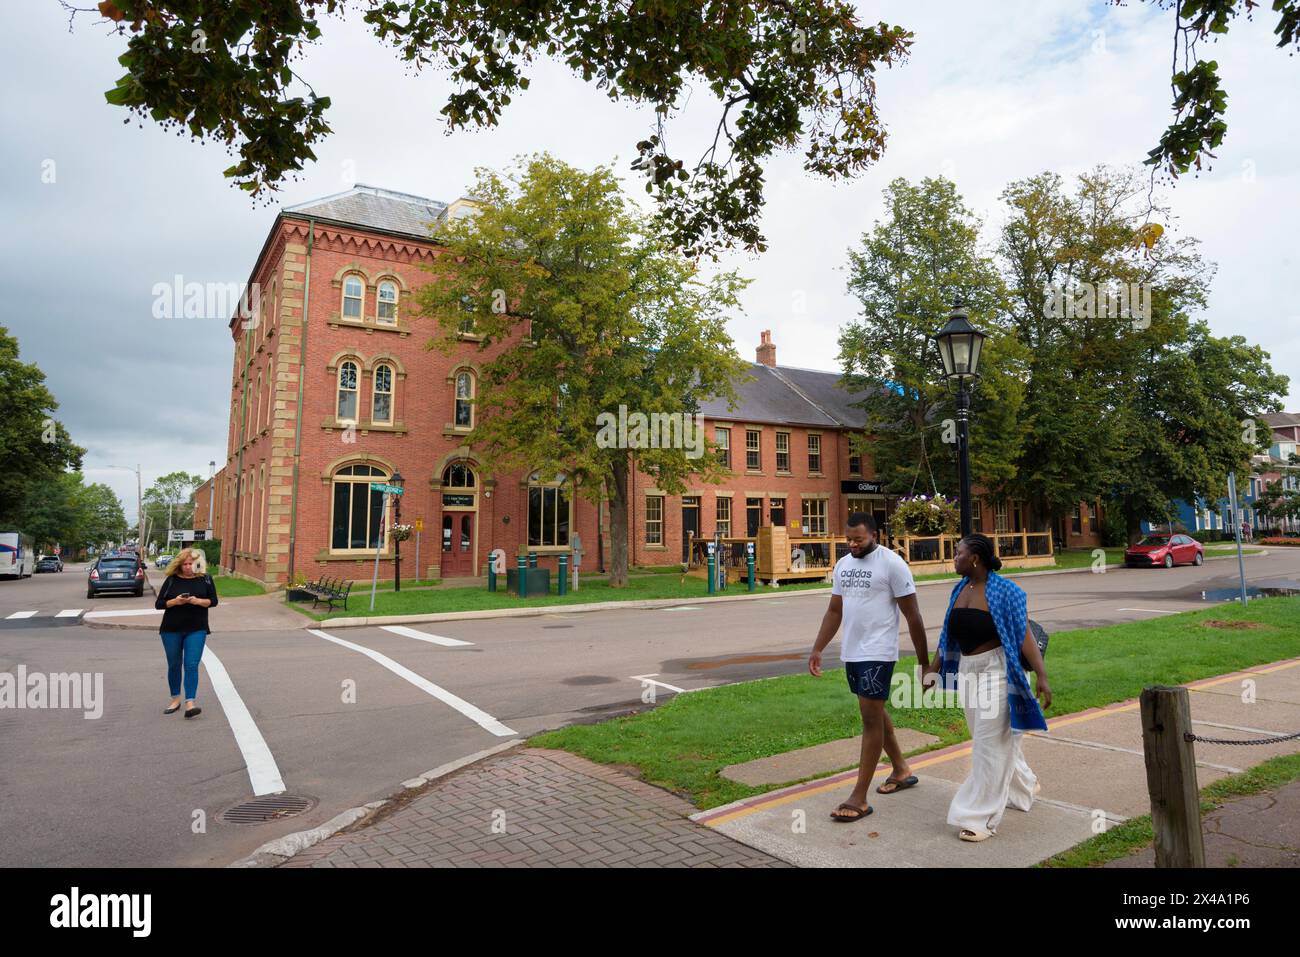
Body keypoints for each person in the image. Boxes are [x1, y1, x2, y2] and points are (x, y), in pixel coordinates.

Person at [923, 534, 1051, 842]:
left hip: (998, 671)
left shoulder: (1007, 591)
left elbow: (1024, 637)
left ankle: (980, 818)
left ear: (975, 558)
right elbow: (947, 636)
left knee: (987, 745)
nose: (953, 558)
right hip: (968, 670)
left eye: (958, 553)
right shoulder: (959, 589)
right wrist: (933, 669)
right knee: (987, 736)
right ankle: (1024, 784)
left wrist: (1043, 677)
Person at [809, 513, 930, 822]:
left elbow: (913, 616)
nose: (852, 544)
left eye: (858, 539)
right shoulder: (844, 564)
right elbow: (835, 609)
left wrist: (925, 662)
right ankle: (901, 769)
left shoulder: (892, 564)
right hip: (852, 653)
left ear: (875, 534)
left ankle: (858, 797)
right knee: (874, 712)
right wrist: (818, 647)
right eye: (848, 539)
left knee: (869, 720)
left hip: (878, 652)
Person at [154, 548, 218, 719]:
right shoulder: (172, 580)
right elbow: (159, 604)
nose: (188, 567)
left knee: (191, 665)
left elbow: (214, 601)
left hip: (197, 628)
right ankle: (175, 699)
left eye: (191, 563)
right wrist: (176, 601)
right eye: (185, 564)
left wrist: (197, 601)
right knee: (174, 665)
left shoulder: (206, 580)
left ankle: (190, 702)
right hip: (171, 629)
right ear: (179, 565)